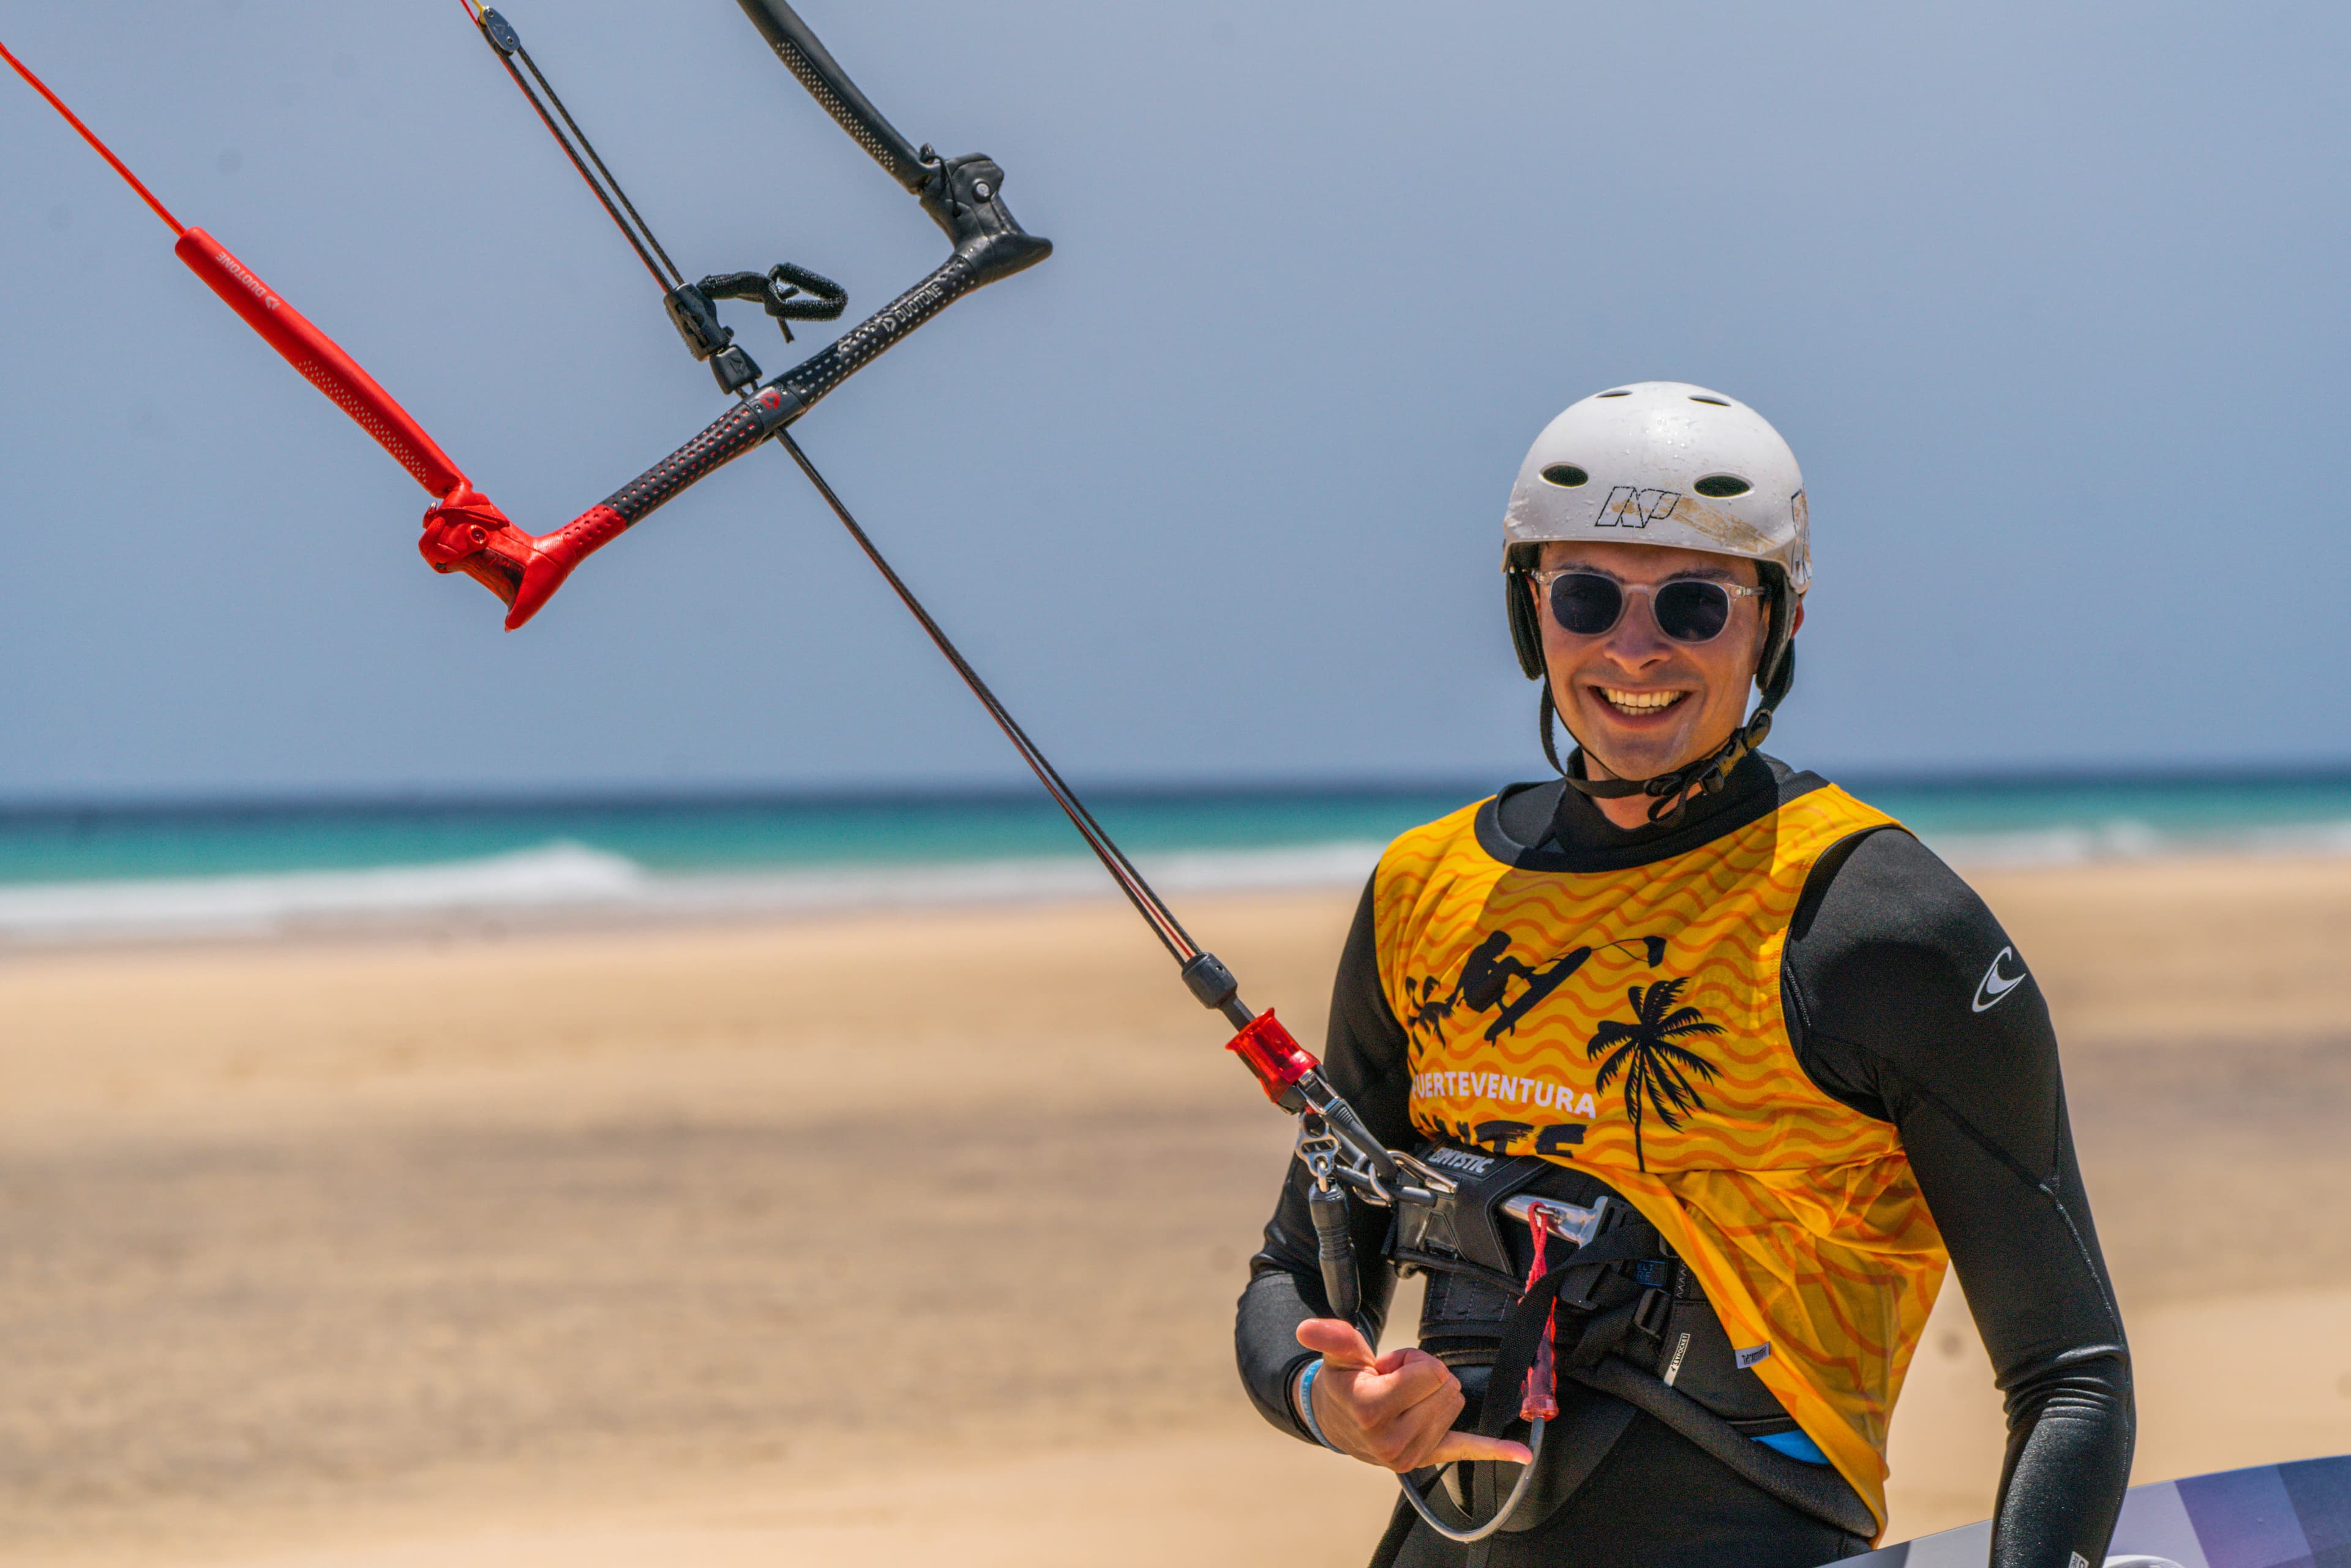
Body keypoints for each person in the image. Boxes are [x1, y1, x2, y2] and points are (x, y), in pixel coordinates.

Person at [1233, 383, 2134, 1568]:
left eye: (1696, 605)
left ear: (1777, 625)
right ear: (1528, 612)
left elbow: (2070, 1374)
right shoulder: (1423, 889)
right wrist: (1326, 1394)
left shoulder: (1882, 926)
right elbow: (1293, 1272)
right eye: (1588, 597)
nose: (1633, 649)